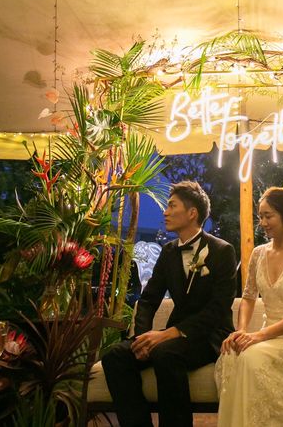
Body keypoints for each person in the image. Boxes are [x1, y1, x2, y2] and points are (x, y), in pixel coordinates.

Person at [102, 181, 237, 427]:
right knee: (115, 356)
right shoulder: (168, 252)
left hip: (209, 335)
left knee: (166, 353)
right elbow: (148, 299)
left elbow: (218, 308)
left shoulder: (222, 251)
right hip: (174, 335)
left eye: (172, 206)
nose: (165, 212)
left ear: (192, 213)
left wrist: (171, 333)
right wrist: (142, 338)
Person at [215, 187, 283, 427]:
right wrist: (242, 330)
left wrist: (258, 336)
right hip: (270, 336)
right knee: (233, 354)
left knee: (251, 357)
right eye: (260, 216)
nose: (263, 223)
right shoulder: (258, 254)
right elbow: (248, 297)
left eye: (269, 216)